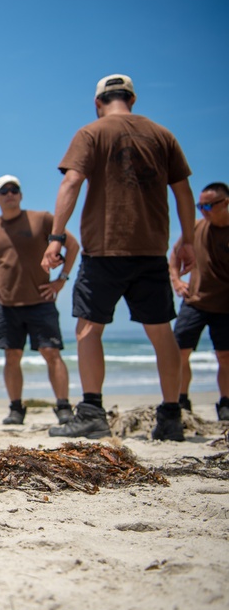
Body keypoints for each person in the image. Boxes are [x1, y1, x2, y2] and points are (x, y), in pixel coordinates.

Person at [42, 74, 196, 441]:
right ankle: (171, 416)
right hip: (151, 247)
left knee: (88, 329)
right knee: (161, 333)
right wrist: (188, 240)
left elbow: (71, 182)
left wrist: (56, 238)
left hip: (104, 247)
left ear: (98, 102)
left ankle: (93, 411)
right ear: (132, 98)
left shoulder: (92, 132)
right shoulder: (162, 135)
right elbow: (184, 191)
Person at [0, 175, 79, 425]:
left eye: (14, 189)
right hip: (7, 305)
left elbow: (73, 246)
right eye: (4, 190)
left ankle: (63, 407)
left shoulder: (41, 219)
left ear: (20, 195)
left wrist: (61, 279)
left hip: (41, 301)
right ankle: (15, 409)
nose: (10, 193)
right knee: (11, 356)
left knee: (51, 352)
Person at [169, 182, 229, 421]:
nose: (203, 210)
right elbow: (174, 255)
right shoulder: (194, 227)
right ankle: (181, 399)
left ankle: (225, 402)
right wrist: (176, 280)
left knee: (224, 356)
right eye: (200, 205)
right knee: (180, 352)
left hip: (225, 306)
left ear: (225, 203)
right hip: (193, 301)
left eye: (208, 205)